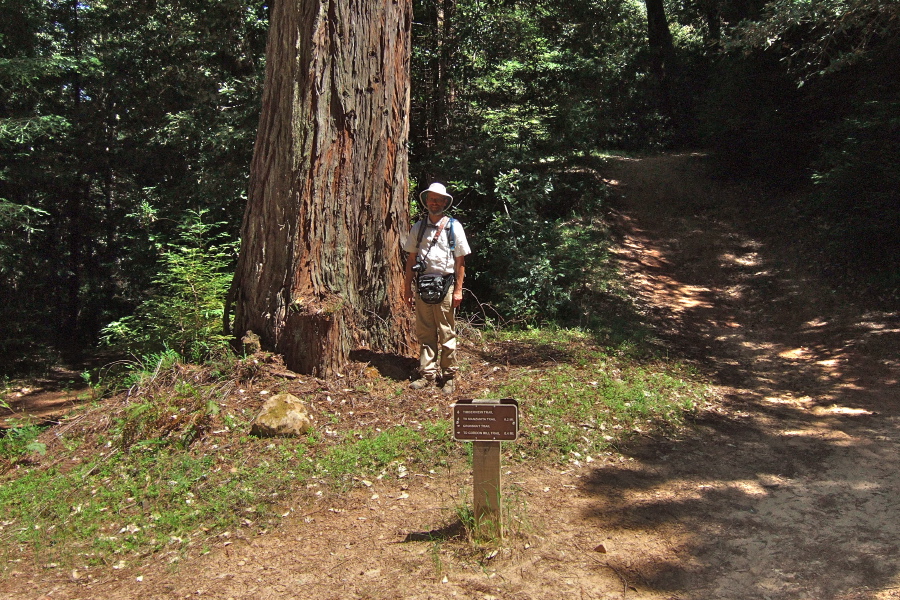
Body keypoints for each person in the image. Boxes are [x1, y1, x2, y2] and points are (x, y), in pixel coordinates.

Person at [402, 182, 471, 394]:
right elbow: (411, 259)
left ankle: (449, 376)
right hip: (423, 286)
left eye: (439, 199)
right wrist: (407, 289)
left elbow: (460, 261)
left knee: (446, 332)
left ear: (445, 203)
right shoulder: (418, 228)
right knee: (425, 332)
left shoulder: (453, 226)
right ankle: (427, 374)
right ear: (426, 201)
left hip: (446, 285)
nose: (434, 202)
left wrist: (458, 290)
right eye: (431, 199)